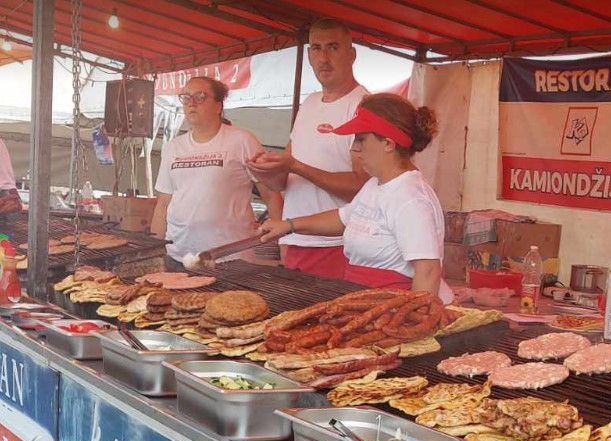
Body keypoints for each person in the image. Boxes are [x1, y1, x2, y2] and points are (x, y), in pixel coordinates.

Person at [259, 93, 452, 303]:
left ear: (388, 143)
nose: (354, 148)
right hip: (368, 303)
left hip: (394, 308)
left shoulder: (410, 198)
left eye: (361, 139)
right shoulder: (374, 186)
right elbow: (344, 218)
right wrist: (288, 225)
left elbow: (428, 272)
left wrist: (413, 321)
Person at [247, 18, 369, 279]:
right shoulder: (310, 102)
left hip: (337, 244)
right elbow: (286, 180)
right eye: (316, 48)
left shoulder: (364, 105)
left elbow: (363, 187)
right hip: (295, 239)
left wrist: (295, 166)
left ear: (352, 54)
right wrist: (264, 170)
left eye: (333, 48)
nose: (323, 58)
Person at [152, 77, 281, 267]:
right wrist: (153, 251)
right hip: (178, 256)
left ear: (218, 106)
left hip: (230, 259)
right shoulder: (173, 147)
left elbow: (271, 195)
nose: (191, 103)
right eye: (186, 98)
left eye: (200, 97)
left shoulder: (242, 140)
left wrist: (285, 242)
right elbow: (163, 204)